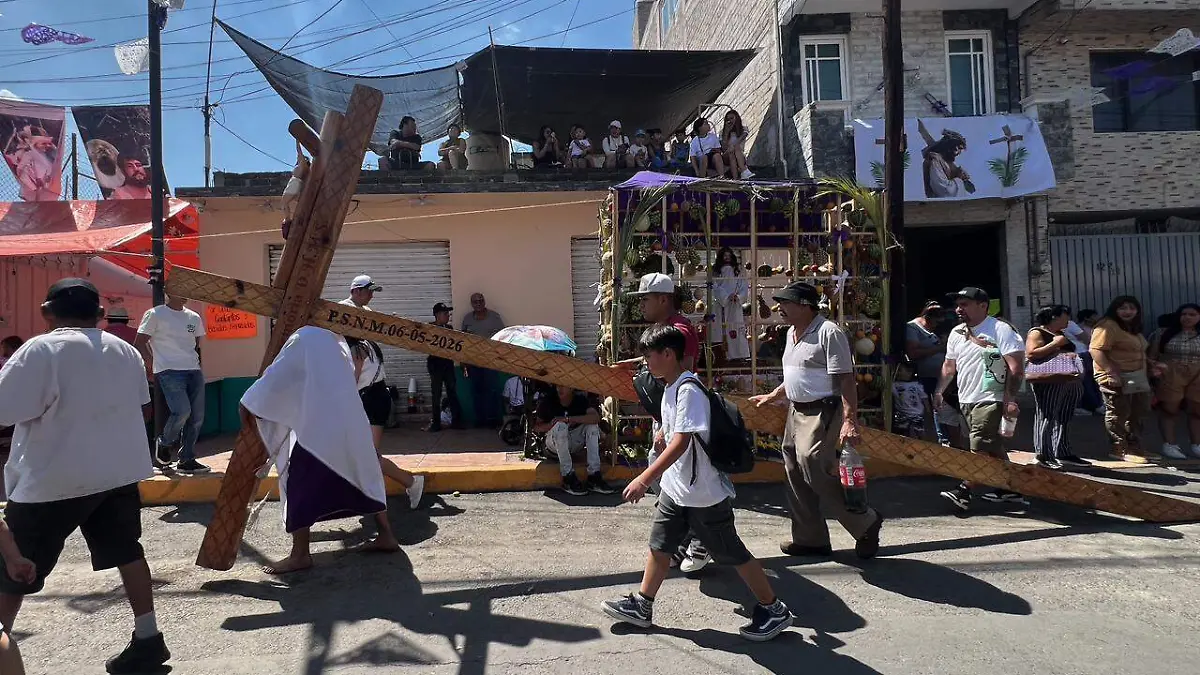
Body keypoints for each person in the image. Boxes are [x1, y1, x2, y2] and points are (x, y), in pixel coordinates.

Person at [0, 278, 170, 673]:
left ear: (46, 312)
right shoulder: (124, 350)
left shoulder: (40, 350)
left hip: (52, 479)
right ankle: (148, 637)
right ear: (99, 314)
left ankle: (1, 645)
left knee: (13, 568)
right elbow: (144, 407)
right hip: (117, 472)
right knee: (127, 551)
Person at [602, 325, 793, 642]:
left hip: (702, 494)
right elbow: (673, 430)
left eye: (650, 356)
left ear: (668, 354)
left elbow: (682, 443)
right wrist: (663, 431)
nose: (646, 363)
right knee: (660, 545)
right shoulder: (670, 386)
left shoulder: (688, 390)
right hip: (678, 491)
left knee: (732, 553)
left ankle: (774, 609)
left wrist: (644, 477)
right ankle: (642, 604)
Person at [239, 326, 394, 574]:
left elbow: (277, 378)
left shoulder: (302, 339)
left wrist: (248, 402)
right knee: (364, 476)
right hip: (352, 421)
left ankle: (300, 555)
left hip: (319, 429)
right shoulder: (334, 342)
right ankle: (386, 535)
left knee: (299, 483)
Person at [749, 281, 883, 558]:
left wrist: (849, 419)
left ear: (805, 306)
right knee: (793, 472)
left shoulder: (829, 332)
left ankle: (864, 521)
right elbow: (796, 373)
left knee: (813, 464)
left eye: (786, 303)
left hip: (823, 409)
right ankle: (810, 539)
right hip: (795, 410)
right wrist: (775, 394)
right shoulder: (791, 334)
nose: (780, 308)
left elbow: (845, 378)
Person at [614, 273, 707, 571]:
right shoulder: (662, 329)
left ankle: (698, 539)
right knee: (669, 478)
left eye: (646, 298)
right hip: (665, 416)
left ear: (663, 299)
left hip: (680, 419)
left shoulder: (680, 330)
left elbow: (685, 377)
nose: (641, 305)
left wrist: (669, 426)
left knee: (679, 477)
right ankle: (683, 537)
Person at [934, 287, 1027, 511]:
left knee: (979, 447)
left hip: (991, 398)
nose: (958, 309)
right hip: (966, 399)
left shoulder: (1000, 329)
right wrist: (939, 391)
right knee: (992, 446)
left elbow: (1016, 369)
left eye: (964, 304)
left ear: (983, 306)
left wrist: (1010, 399)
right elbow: (949, 366)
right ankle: (1010, 490)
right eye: (957, 305)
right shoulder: (957, 332)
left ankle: (964, 491)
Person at [339, 277, 426, 512]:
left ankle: (407, 483)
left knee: (367, 456)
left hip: (371, 397)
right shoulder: (348, 314)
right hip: (367, 396)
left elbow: (355, 375)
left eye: (372, 292)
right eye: (368, 291)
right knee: (362, 456)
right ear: (355, 291)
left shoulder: (362, 333)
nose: (371, 296)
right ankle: (395, 487)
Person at [135, 296, 210, 474]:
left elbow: (195, 344)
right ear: (168, 292)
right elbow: (139, 342)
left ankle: (187, 459)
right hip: (169, 370)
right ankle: (164, 443)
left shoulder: (194, 317)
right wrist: (152, 364)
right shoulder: (155, 314)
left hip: (193, 370)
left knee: (196, 417)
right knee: (182, 411)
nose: (184, 293)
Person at [1090, 296, 1161, 463]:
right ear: (1115, 309)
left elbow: (1137, 352)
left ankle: (1135, 446)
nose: (1128, 312)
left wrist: (1152, 365)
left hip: (1137, 377)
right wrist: (1110, 373)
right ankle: (1118, 448)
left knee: (1139, 412)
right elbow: (1096, 350)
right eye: (1123, 308)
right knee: (1118, 413)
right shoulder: (1107, 325)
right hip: (1116, 377)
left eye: (1132, 308)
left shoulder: (1131, 327)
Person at [1026, 305, 1088, 470]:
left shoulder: (1059, 334)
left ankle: (1062, 451)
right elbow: (1032, 354)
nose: (1068, 320)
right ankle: (1042, 455)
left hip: (1068, 381)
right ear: (1054, 317)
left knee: (1064, 417)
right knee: (1046, 416)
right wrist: (1055, 344)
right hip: (1049, 381)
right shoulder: (1038, 332)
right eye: (1066, 316)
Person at [535, 385, 613, 495]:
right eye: (558, 386)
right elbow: (537, 427)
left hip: (574, 441)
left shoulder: (580, 400)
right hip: (554, 444)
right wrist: (552, 424)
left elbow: (595, 418)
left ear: (571, 388)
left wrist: (569, 419)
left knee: (592, 426)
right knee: (560, 426)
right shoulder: (548, 400)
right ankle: (567, 476)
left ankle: (594, 475)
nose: (559, 389)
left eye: (563, 386)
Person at [1148, 303, 1200, 460]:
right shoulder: (1164, 333)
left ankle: (1196, 444)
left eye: (1192, 314)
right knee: (1169, 409)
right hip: (1170, 373)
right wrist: (1155, 369)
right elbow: (1152, 356)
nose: (1187, 317)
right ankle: (1169, 444)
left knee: (1197, 411)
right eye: (1184, 314)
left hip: (1198, 374)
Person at [906, 301, 951, 445]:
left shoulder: (931, 331)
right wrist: (939, 349)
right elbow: (912, 353)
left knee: (942, 406)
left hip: (940, 375)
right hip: (925, 376)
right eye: (935, 322)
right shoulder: (913, 328)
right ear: (927, 317)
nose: (935, 326)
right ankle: (938, 438)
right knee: (932, 407)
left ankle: (943, 437)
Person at [461, 293, 506, 428]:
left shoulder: (494, 317)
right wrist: (463, 360)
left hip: (491, 360)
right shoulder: (468, 319)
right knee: (477, 391)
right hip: (474, 362)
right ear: (472, 304)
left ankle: (493, 419)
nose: (478, 303)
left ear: (484, 301)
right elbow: (463, 340)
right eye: (475, 301)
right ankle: (480, 420)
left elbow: (503, 336)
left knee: (492, 390)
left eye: (481, 300)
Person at [426, 302, 463, 432]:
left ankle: (457, 421)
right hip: (435, 364)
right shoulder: (429, 328)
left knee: (452, 392)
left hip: (447, 363)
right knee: (436, 394)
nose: (448, 316)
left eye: (448, 313)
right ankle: (436, 423)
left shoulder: (449, 328)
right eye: (445, 313)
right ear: (437, 315)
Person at [711, 247, 750, 361]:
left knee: (736, 330)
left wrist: (737, 297)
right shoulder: (715, 271)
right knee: (719, 330)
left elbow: (744, 286)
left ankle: (738, 357)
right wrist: (725, 296)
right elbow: (714, 286)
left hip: (734, 304)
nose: (727, 258)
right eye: (724, 255)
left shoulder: (738, 270)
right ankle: (721, 358)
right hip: (720, 305)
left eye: (729, 255)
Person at [1064, 308, 1101, 416]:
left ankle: (1081, 406)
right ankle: (1095, 405)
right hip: (1082, 353)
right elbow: (1086, 338)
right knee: (1088, 380)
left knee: (1077, 382)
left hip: (1068, 355)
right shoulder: (1069, 324)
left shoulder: (1049, 327)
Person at [921, 128, 970, 199]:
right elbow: (943, 189)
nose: (959, 152)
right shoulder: (935, 161)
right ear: (949, 147)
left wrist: (957, 174)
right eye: (958, 148)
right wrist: (959, 179)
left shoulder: (945, 162)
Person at [892, 361, 927, 439]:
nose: (897, 372)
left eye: (900, 370)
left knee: (919, 433)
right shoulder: (894, 385)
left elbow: (924, 399)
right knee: (902, 435)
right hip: (902, 414)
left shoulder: (917, 385)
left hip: (917, 414)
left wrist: (928, 412)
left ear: (910, 372)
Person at [721, 109, 753, 180]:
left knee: (734, 150)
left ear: (737, 118)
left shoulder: (743, 129)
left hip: (739, 154)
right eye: (728, 119)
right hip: (726, 154)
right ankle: (744, 170)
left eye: (732, 118)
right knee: (732, 151)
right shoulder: (723, 132)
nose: (730, 121)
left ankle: (735, 179)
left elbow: (741, 139)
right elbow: (724, 148)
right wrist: (726, 132)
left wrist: (732, 147)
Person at [281, 139, 310, 220]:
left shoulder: (303, 165)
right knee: (296, 201)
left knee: (284, 202)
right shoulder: (303, 167)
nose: (298, 157)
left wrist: (297, 141)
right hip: (295, 183)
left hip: (294, 183)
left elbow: (299, 151)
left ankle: (287, 219)